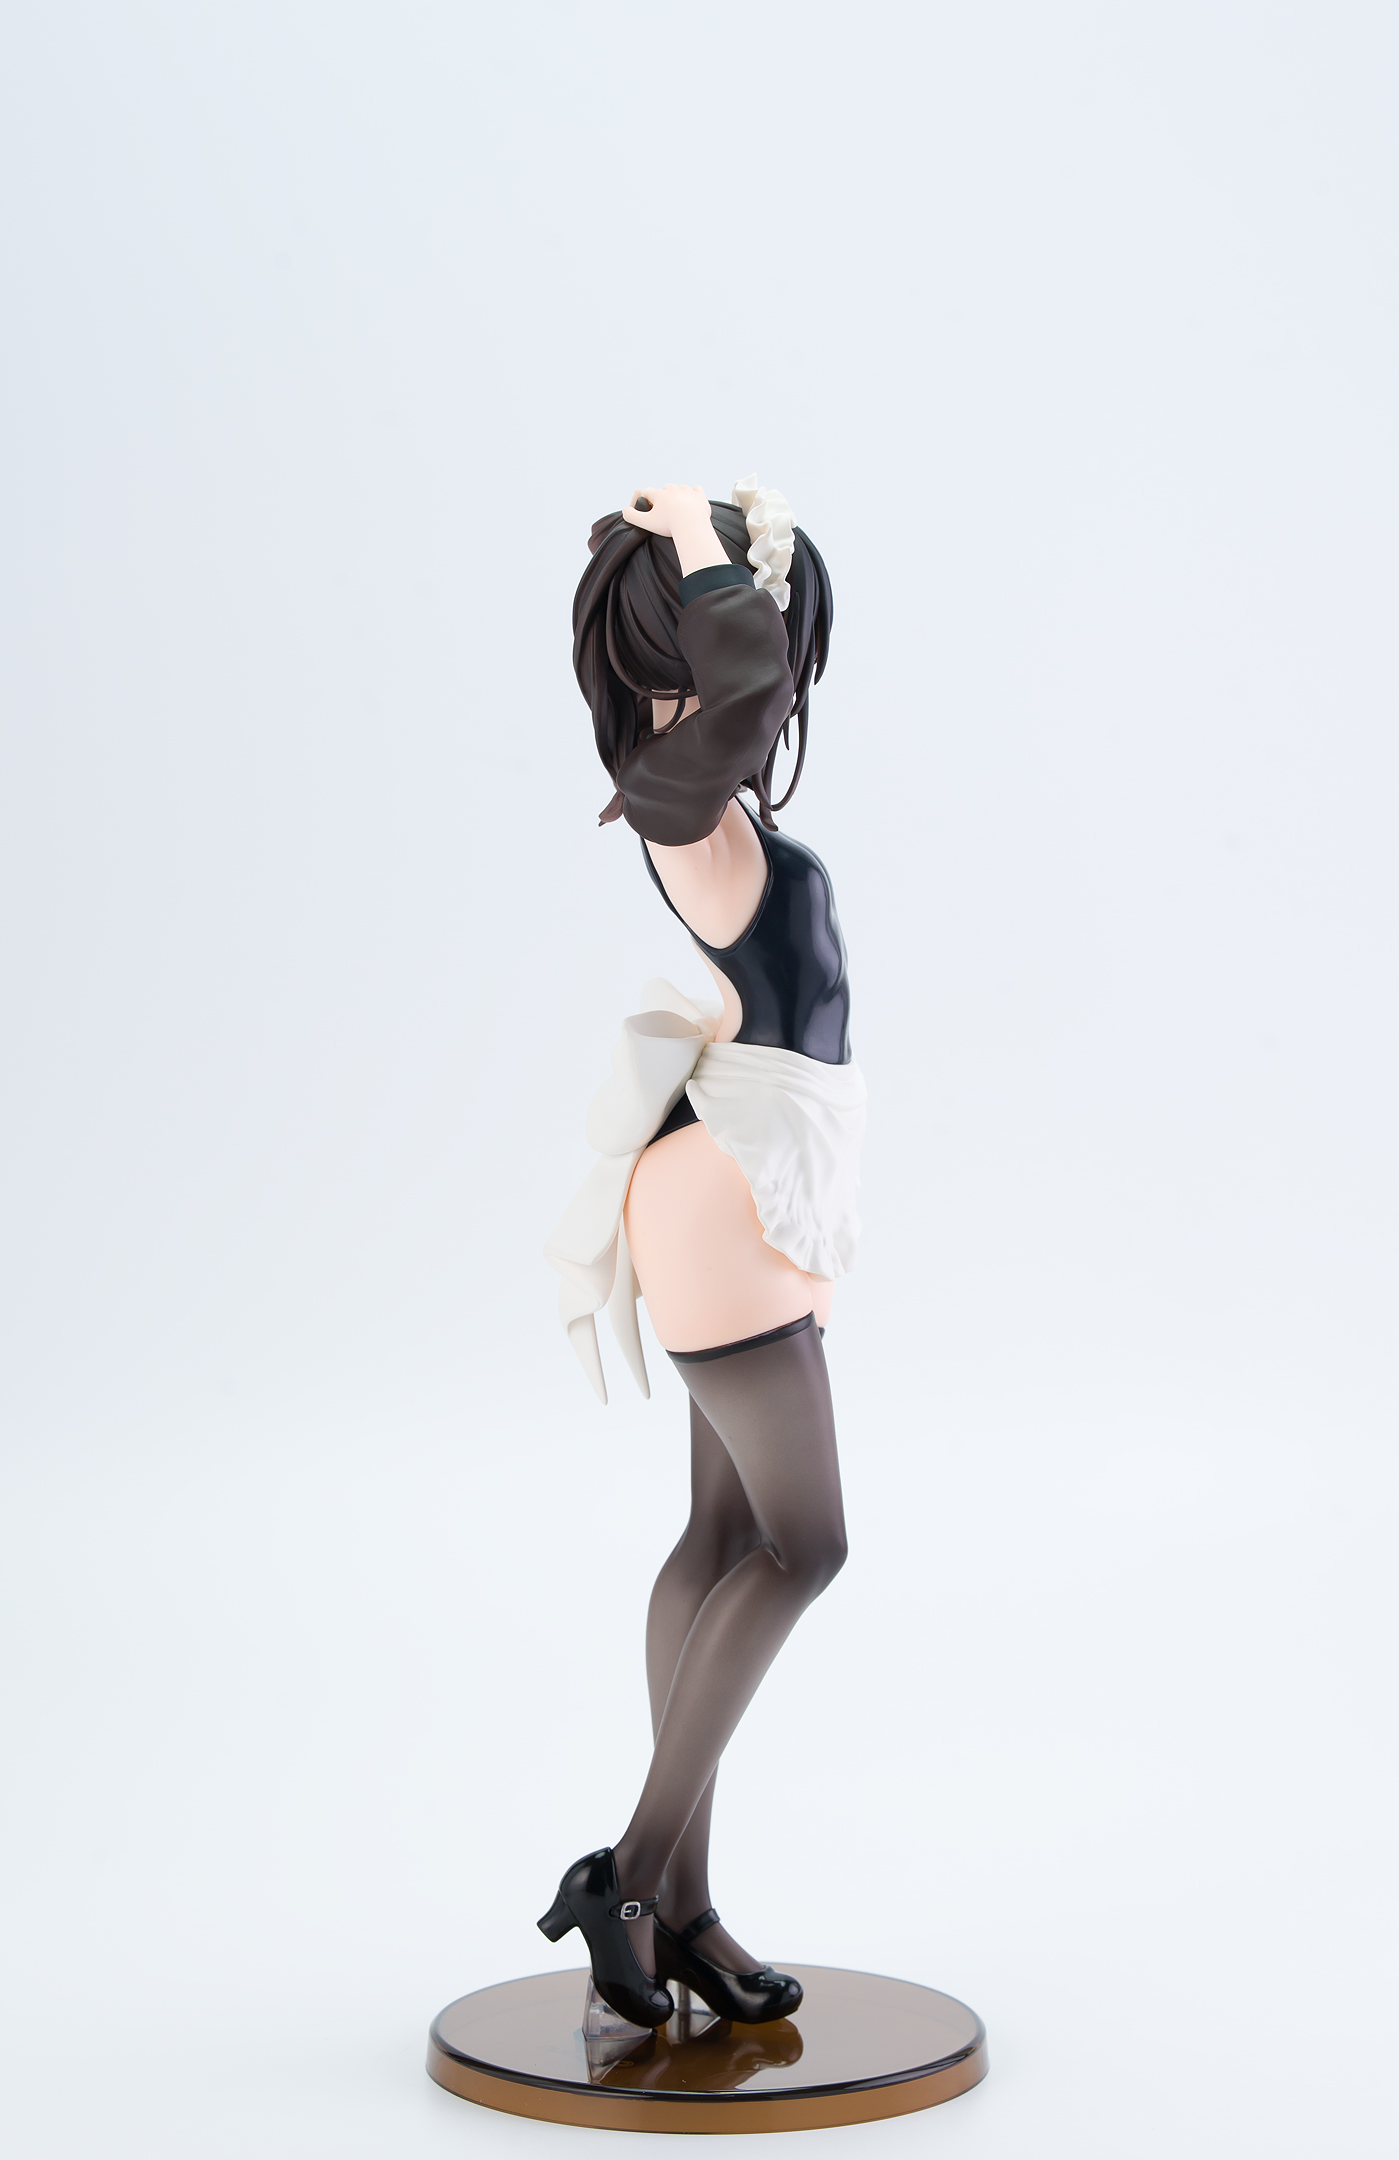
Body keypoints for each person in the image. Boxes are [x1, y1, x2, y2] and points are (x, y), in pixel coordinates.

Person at [539, 479, 866, 2030]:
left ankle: (682, 1910)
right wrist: (693, 538)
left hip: (751, 1180)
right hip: (730, 1196)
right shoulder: (680, 788)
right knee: (808, 1543)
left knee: (727, 1535)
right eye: (744, 605)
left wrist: (706, 557)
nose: (774, 644)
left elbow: (754, 681)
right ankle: (632, 1868)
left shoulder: (695, 791)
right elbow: (752, 682)